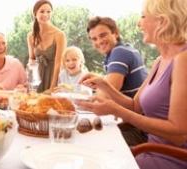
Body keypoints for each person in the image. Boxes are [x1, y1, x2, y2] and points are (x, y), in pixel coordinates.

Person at [77, 0, 187, 168]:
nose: (138, 23)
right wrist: (103, 84)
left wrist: (114, 109)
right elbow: (135, 106)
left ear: (163, 21)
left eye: (143, 16)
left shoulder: (183, 60)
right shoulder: (160, 60)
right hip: (150, 149)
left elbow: (178, 134)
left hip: (169, 158)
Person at [86, 16, 148, 146]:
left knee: (89, 141)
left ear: (116, 32)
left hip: (138, 130)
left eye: (103, 35)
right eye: (94, 39)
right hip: (134, 123)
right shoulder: (124, 49)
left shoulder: (119, 52)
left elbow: (108, 92)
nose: (99, 41)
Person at [27, 0, 67, 93]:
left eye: (48, 11)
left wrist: (52, 88)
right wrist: (30, 84)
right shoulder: (30, 36)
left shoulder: (59, 35)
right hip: (38, 79)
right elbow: (32, 60)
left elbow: (59, 64)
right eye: (42, 11)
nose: (45, 15)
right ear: (35, 14)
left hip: (54, 78)